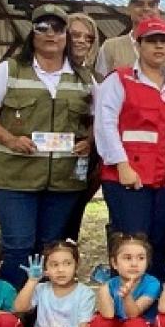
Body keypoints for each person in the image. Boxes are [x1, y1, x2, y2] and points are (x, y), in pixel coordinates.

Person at [0, 4, 94, 289]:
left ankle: (43, 314)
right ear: (32, 32)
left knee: (51, 250)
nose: (51, 34)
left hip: (64, 182)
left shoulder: (84, 78)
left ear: (66, 35)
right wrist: (10, 139)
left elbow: (100, 120)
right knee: (18, 245)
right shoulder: (10, 70)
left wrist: (90, 141)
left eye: (58, 28)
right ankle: (16, 310)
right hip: (16, 178)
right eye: (43, 27)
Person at [96, 16, 165, 278]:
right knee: (132, 245)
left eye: (163, 41)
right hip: (128, 178)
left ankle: (156, 303)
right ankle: (126, 306)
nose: (159, 47)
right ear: (138, 45)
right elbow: (105, 124)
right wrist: (122, 165)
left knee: (160, 241)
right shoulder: (120, 79)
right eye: (151, 41)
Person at [61, 12, 105, 245]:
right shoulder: (39, 71)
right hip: (39, 164)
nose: (81, 41)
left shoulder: (95, 78)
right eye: (75, 35)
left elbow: (102, 118)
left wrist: (89, 142)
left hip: (81, 163)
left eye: (88, 38)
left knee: (71, 222)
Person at [95, 0, 165, 78]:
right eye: (139, 4)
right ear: (128, 9)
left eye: (151, 5)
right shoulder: (110, 47)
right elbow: (101, 85)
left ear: (158, 10)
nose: (146, 8)